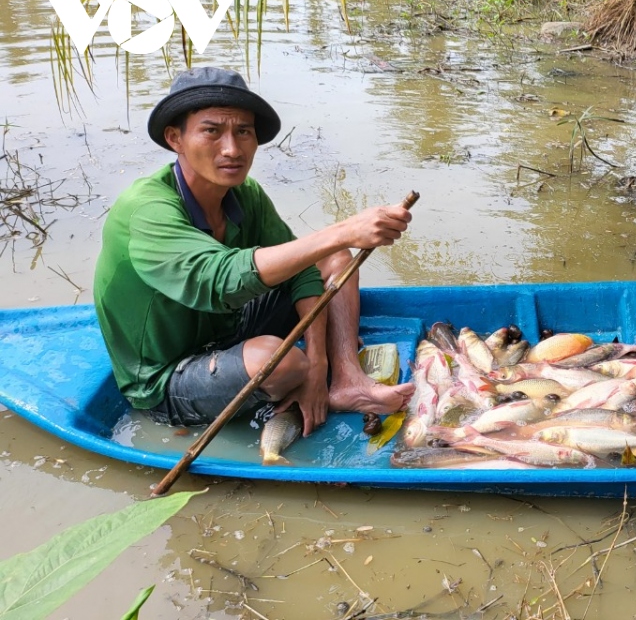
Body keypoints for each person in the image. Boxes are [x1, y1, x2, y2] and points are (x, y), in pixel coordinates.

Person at [93, 67, 413, 437]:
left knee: (335, 259)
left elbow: (304, 268)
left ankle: (346, 379)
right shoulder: (146, 210)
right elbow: (221, 280)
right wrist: (344, 230)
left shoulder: (244, 194)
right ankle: (295, 375)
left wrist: (321, 364)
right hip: (166, 377)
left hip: (228, 327)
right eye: (211, 131)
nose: (232, 149)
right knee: (279, 361)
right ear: (175, 138)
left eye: (243, 132)